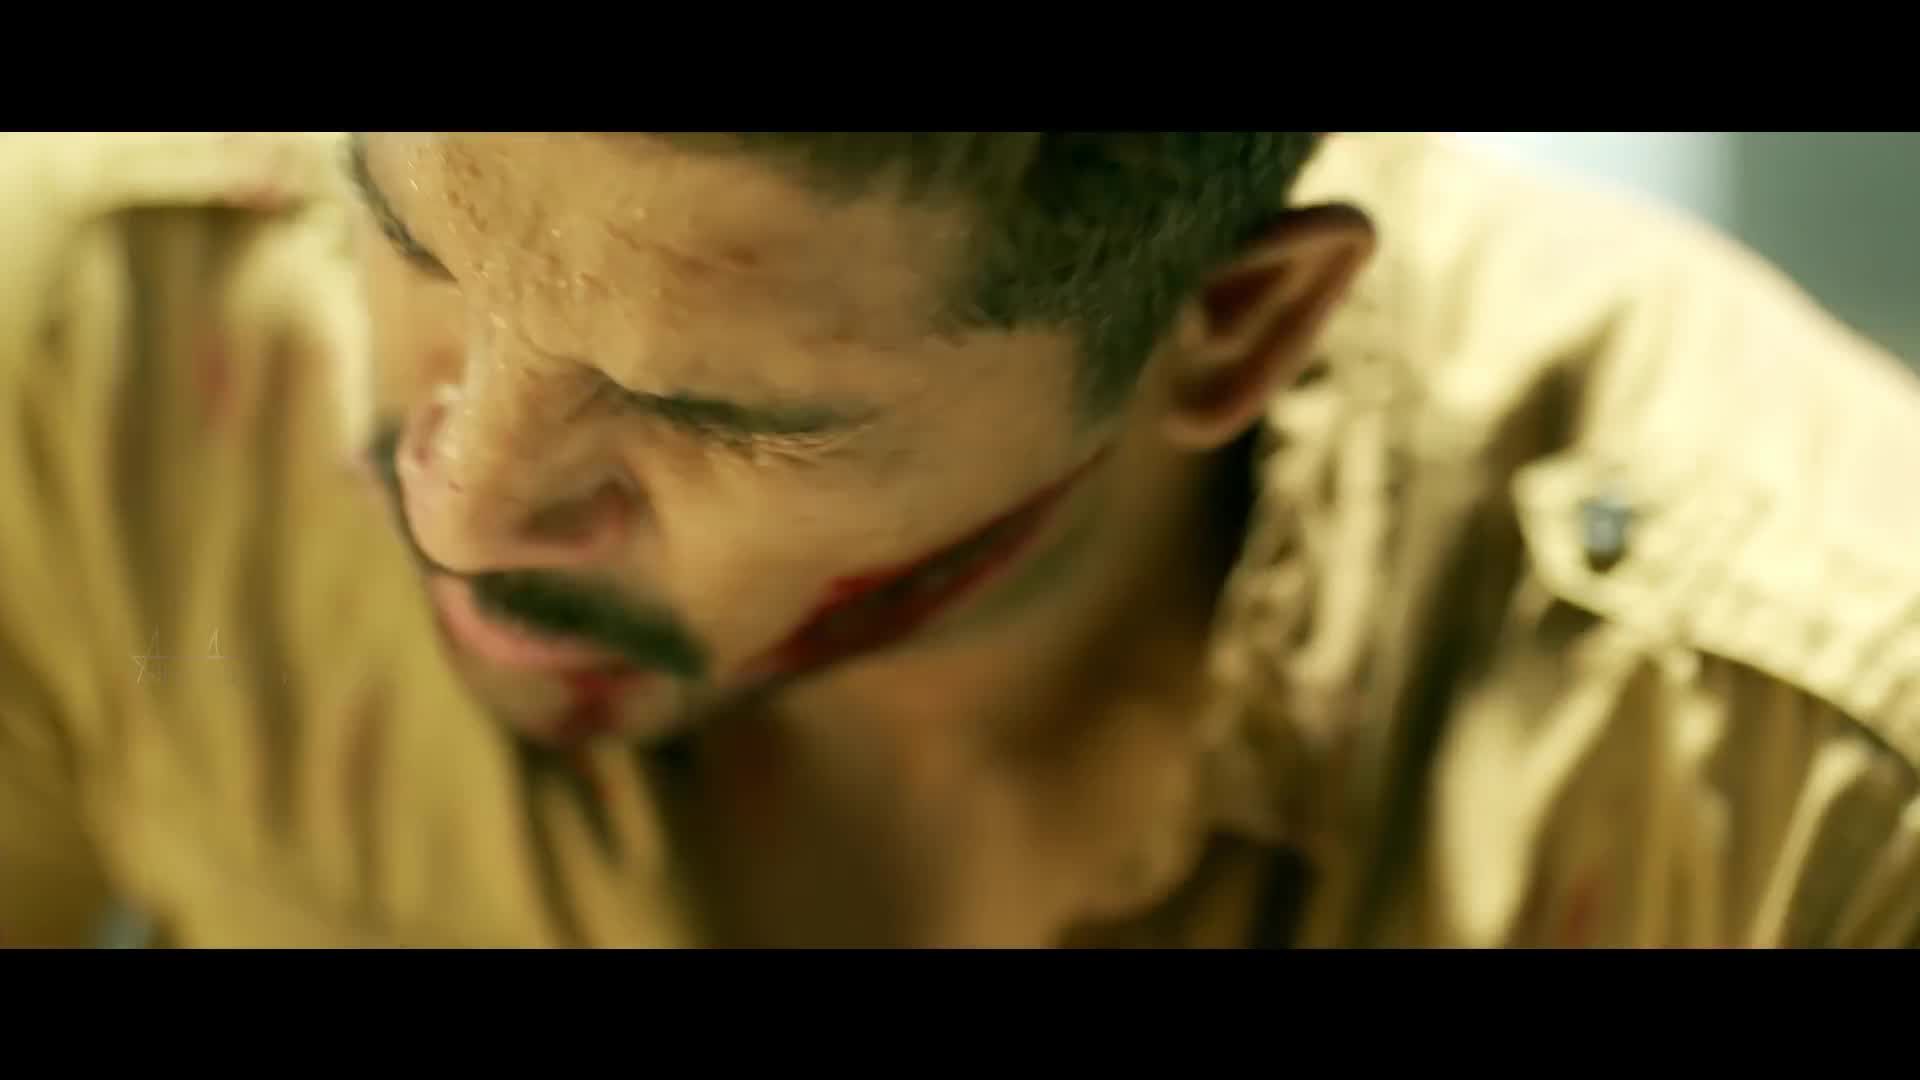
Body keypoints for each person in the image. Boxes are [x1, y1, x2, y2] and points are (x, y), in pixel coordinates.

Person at [3, 132, 1917, 949]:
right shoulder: (98, 340)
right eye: (408, 234)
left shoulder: (1806, 804)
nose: (457, 499)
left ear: (1234, 333)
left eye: (714, 417)